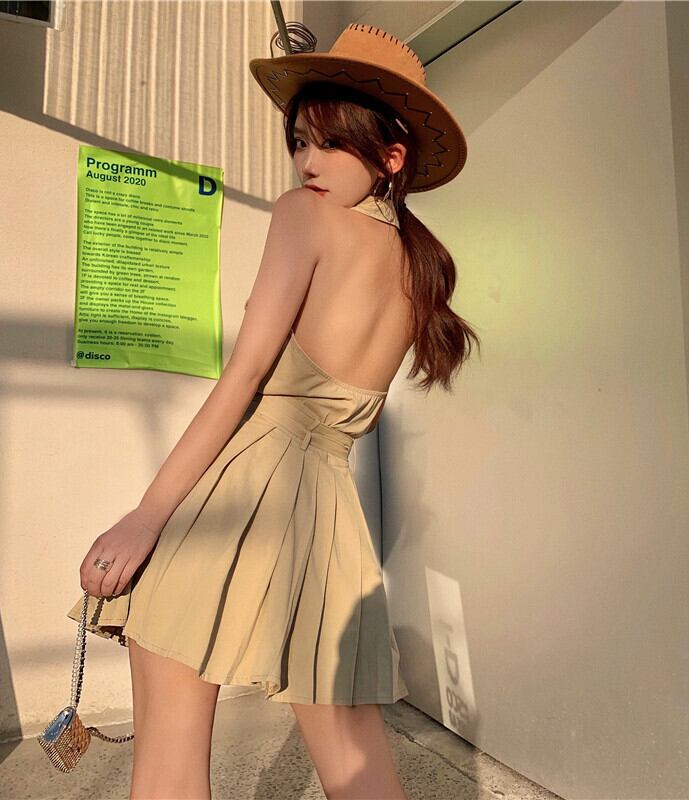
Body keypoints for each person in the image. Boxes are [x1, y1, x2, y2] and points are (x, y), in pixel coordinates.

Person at [67, 22, 480, 800]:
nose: (308, 162)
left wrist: (146, 517)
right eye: (300, 141)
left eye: (332, 142)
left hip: (237, 493)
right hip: (328, 519)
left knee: (167, 768)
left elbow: (245, 379)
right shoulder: (419, 267)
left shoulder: (303, 216)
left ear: (391, 157)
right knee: (361, 774)